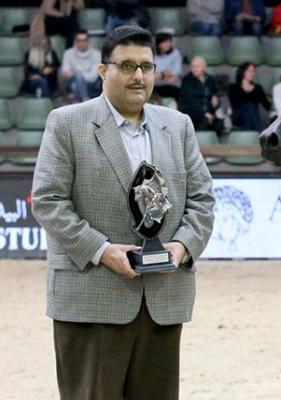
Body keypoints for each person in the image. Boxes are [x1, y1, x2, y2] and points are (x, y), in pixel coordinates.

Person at [31, 26, 215, 400]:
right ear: (103, 71)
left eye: (147, 67)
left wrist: (180, 247)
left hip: (163, 298)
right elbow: (48, 200)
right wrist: (102, 251)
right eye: (127, 65)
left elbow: (203, 200)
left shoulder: (178, 126)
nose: (139, 76)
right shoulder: (67, 123)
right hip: (92, 297)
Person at [178, 56, 221, 133]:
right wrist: (204, 114)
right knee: (204, 124)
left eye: (197, 66)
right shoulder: (187, 81)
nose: (194, 69)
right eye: (192, 66)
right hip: (193, 114)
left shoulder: (210, 79)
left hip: (209, 113)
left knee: (220, 125)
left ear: (204, 68)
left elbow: (216, 94)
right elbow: (190, 102)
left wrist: (216, 98)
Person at [60, 29, 101, 102]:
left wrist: (76, 74)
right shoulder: (68, 53)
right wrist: (85, 72)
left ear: (88, 41)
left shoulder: (97, 54)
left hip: (90, 85)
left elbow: (93, 77)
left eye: (84, 40)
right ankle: (84, 99)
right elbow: (65, 73)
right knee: (74, 84)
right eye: (79, 40)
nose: (82, 43)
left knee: (78, 78)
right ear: (75, 42)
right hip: (72, 85)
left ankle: (80, 99)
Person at [228, 62, 271, 131]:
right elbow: (235, 104)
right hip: (238, 117)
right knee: (250, 107)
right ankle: (258, 133)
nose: (253, 73)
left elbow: (267, 105)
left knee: (251, 110)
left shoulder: (257, 88)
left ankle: (249, 135)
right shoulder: (233, 87)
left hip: (253, 117)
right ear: (243, 72)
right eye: (250, 71)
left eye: (253, 71)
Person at [154, 31, 182, 99]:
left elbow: (176, 72)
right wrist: (164, 74)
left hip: (170, 85)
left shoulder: (175, 53)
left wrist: (159, 75)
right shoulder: (153, 54)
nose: (168, 44)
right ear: (159, 43)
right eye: (165, 42)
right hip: (155, 85)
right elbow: (151, 73)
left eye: (170, 41)